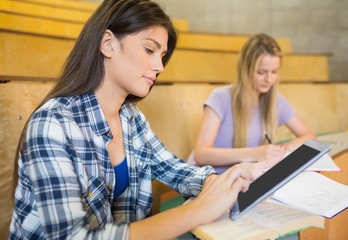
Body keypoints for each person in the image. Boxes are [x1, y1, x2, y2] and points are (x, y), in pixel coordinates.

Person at [9, 0, 251, 239]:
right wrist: (198, 211)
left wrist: (222, 181)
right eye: (149, 50)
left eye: (162, 55)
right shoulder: (52, 124)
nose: (159, 66)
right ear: (108, 44)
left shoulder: (132, 119)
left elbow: (173, 169)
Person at [188, 33, 316, 175]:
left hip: (243, 178)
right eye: (261, 72)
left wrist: (281, 149)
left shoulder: (276, 101)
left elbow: (309, 136)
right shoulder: (220, 97)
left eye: (274, 72)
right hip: (208, 179)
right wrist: (255, 153)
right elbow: (201, 154)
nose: (269, 79)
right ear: (246, 69)